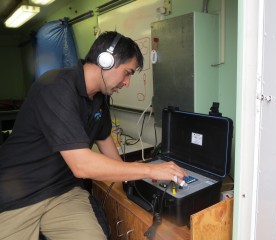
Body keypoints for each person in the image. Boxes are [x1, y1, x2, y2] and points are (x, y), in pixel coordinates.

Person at [0, 31, 187, 240]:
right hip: (19, 196)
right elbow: (82, 166)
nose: (127, 83)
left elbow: (109, 151)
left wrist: (146, 180)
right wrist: (149, 169)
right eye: (127, 72)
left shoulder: (99, 100)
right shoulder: (55, 87)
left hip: (63, 192)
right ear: (105, 60)